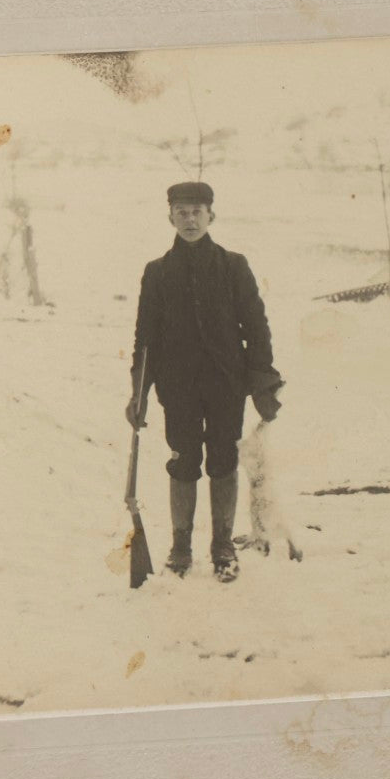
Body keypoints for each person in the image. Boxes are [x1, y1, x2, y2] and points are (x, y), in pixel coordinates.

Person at [126, 181, 282, 583]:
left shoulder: (233, 266)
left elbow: (257, 329)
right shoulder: (157, 273)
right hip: (177, 388)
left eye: (197, 212)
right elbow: (145, 339)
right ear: (170, 217)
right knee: (182, 461)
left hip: (226, 385)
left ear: (212, 215)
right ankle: (181, 548)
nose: (190, 220)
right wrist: (138, 393)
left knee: (224, 460)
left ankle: (222, 545)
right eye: (182, 212)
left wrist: (262, 382)